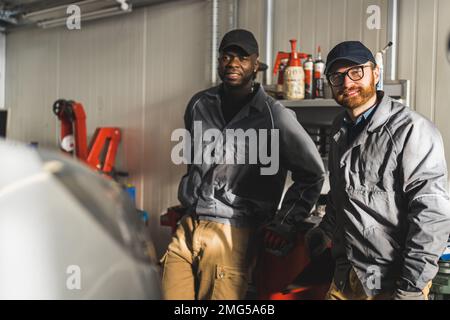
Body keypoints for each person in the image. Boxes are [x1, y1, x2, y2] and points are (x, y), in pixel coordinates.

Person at [161, 29, 325, 300]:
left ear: (255, 64)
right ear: (219, 60)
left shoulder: (275, 116)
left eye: (242, 57)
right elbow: (194, 162)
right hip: (189, 225)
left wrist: (285, 221)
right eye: (227, 56)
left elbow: (312, 173)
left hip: (232, 232)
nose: (233, 63)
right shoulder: (199, 105)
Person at [305, 40, 450, 300]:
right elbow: (343, 197)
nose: (347, 83)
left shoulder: (411, 130)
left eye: (356, 72)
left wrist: (411, 288)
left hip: (392, 282)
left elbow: (432, 215)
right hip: (345, 276)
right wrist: (325, 230)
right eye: (337, 77)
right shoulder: (340, 128)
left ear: (376, 73)